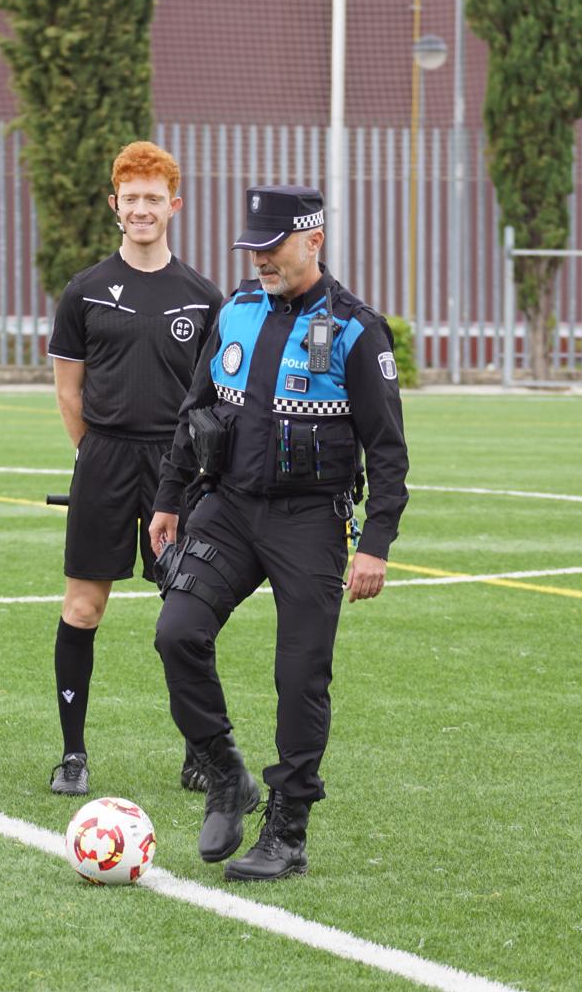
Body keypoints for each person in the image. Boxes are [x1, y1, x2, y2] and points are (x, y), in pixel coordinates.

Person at [148, 185, 408, 880]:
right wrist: (169, 499)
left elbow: (388, 451)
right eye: (252, 249)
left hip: (309, 521)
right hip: (228, 509)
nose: (260, 260)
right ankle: (225, 771)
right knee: (177, 633)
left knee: (299, 678)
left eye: (273, 248)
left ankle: (287, 833)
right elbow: (195, 409)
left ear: (312, 241)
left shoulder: (356, 330)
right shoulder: (235, 310)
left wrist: (375, 542)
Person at [44, 141, 223, 797]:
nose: (142, 209)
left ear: (173, 205)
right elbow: (68, 391)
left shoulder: (204, 296)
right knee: (84, 607)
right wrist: (96, 455)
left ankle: (200, 753)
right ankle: (72, 754)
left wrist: (192, 470)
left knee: (185, 611)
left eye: (154, 198)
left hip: (180, 471)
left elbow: (214, 399)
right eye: (131, 198)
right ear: (113, 204)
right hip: (106, 460)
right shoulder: (86, 292)